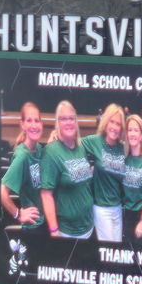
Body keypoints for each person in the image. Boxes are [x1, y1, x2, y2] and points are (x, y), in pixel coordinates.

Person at [40, 100, 94, 238]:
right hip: (67, 232)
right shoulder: (51, 152)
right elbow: (46, 195)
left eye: (71, 118)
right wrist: (54, 230)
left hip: (88, 227)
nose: (68, 122)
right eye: (63, 119)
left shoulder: (81, 147)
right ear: (58, 122)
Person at [82, 104, 126, 242]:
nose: (114, 127)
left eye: (118, 124)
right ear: (105, 122)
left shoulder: (123, 148)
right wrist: (55, 135)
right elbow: (71, 144)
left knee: (117, 250)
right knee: (108, 251)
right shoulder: (94, 141)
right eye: (112, 122)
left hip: (118, 208)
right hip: (101, 209)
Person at [0, 101, 45, 232]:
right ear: (22, 125)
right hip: (34, 227)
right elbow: (2, 192)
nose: (34, 125)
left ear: (41, 124)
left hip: (45, 222)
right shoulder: (22, 157)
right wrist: (18, 214)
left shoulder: (38, 148)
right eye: (29, 121)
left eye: (37, 121)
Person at [122, 114, 142, 244]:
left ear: (141, 135)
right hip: (127, 215)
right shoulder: (123, 158)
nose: (132, 134)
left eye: (136, 130)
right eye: (130, 130)